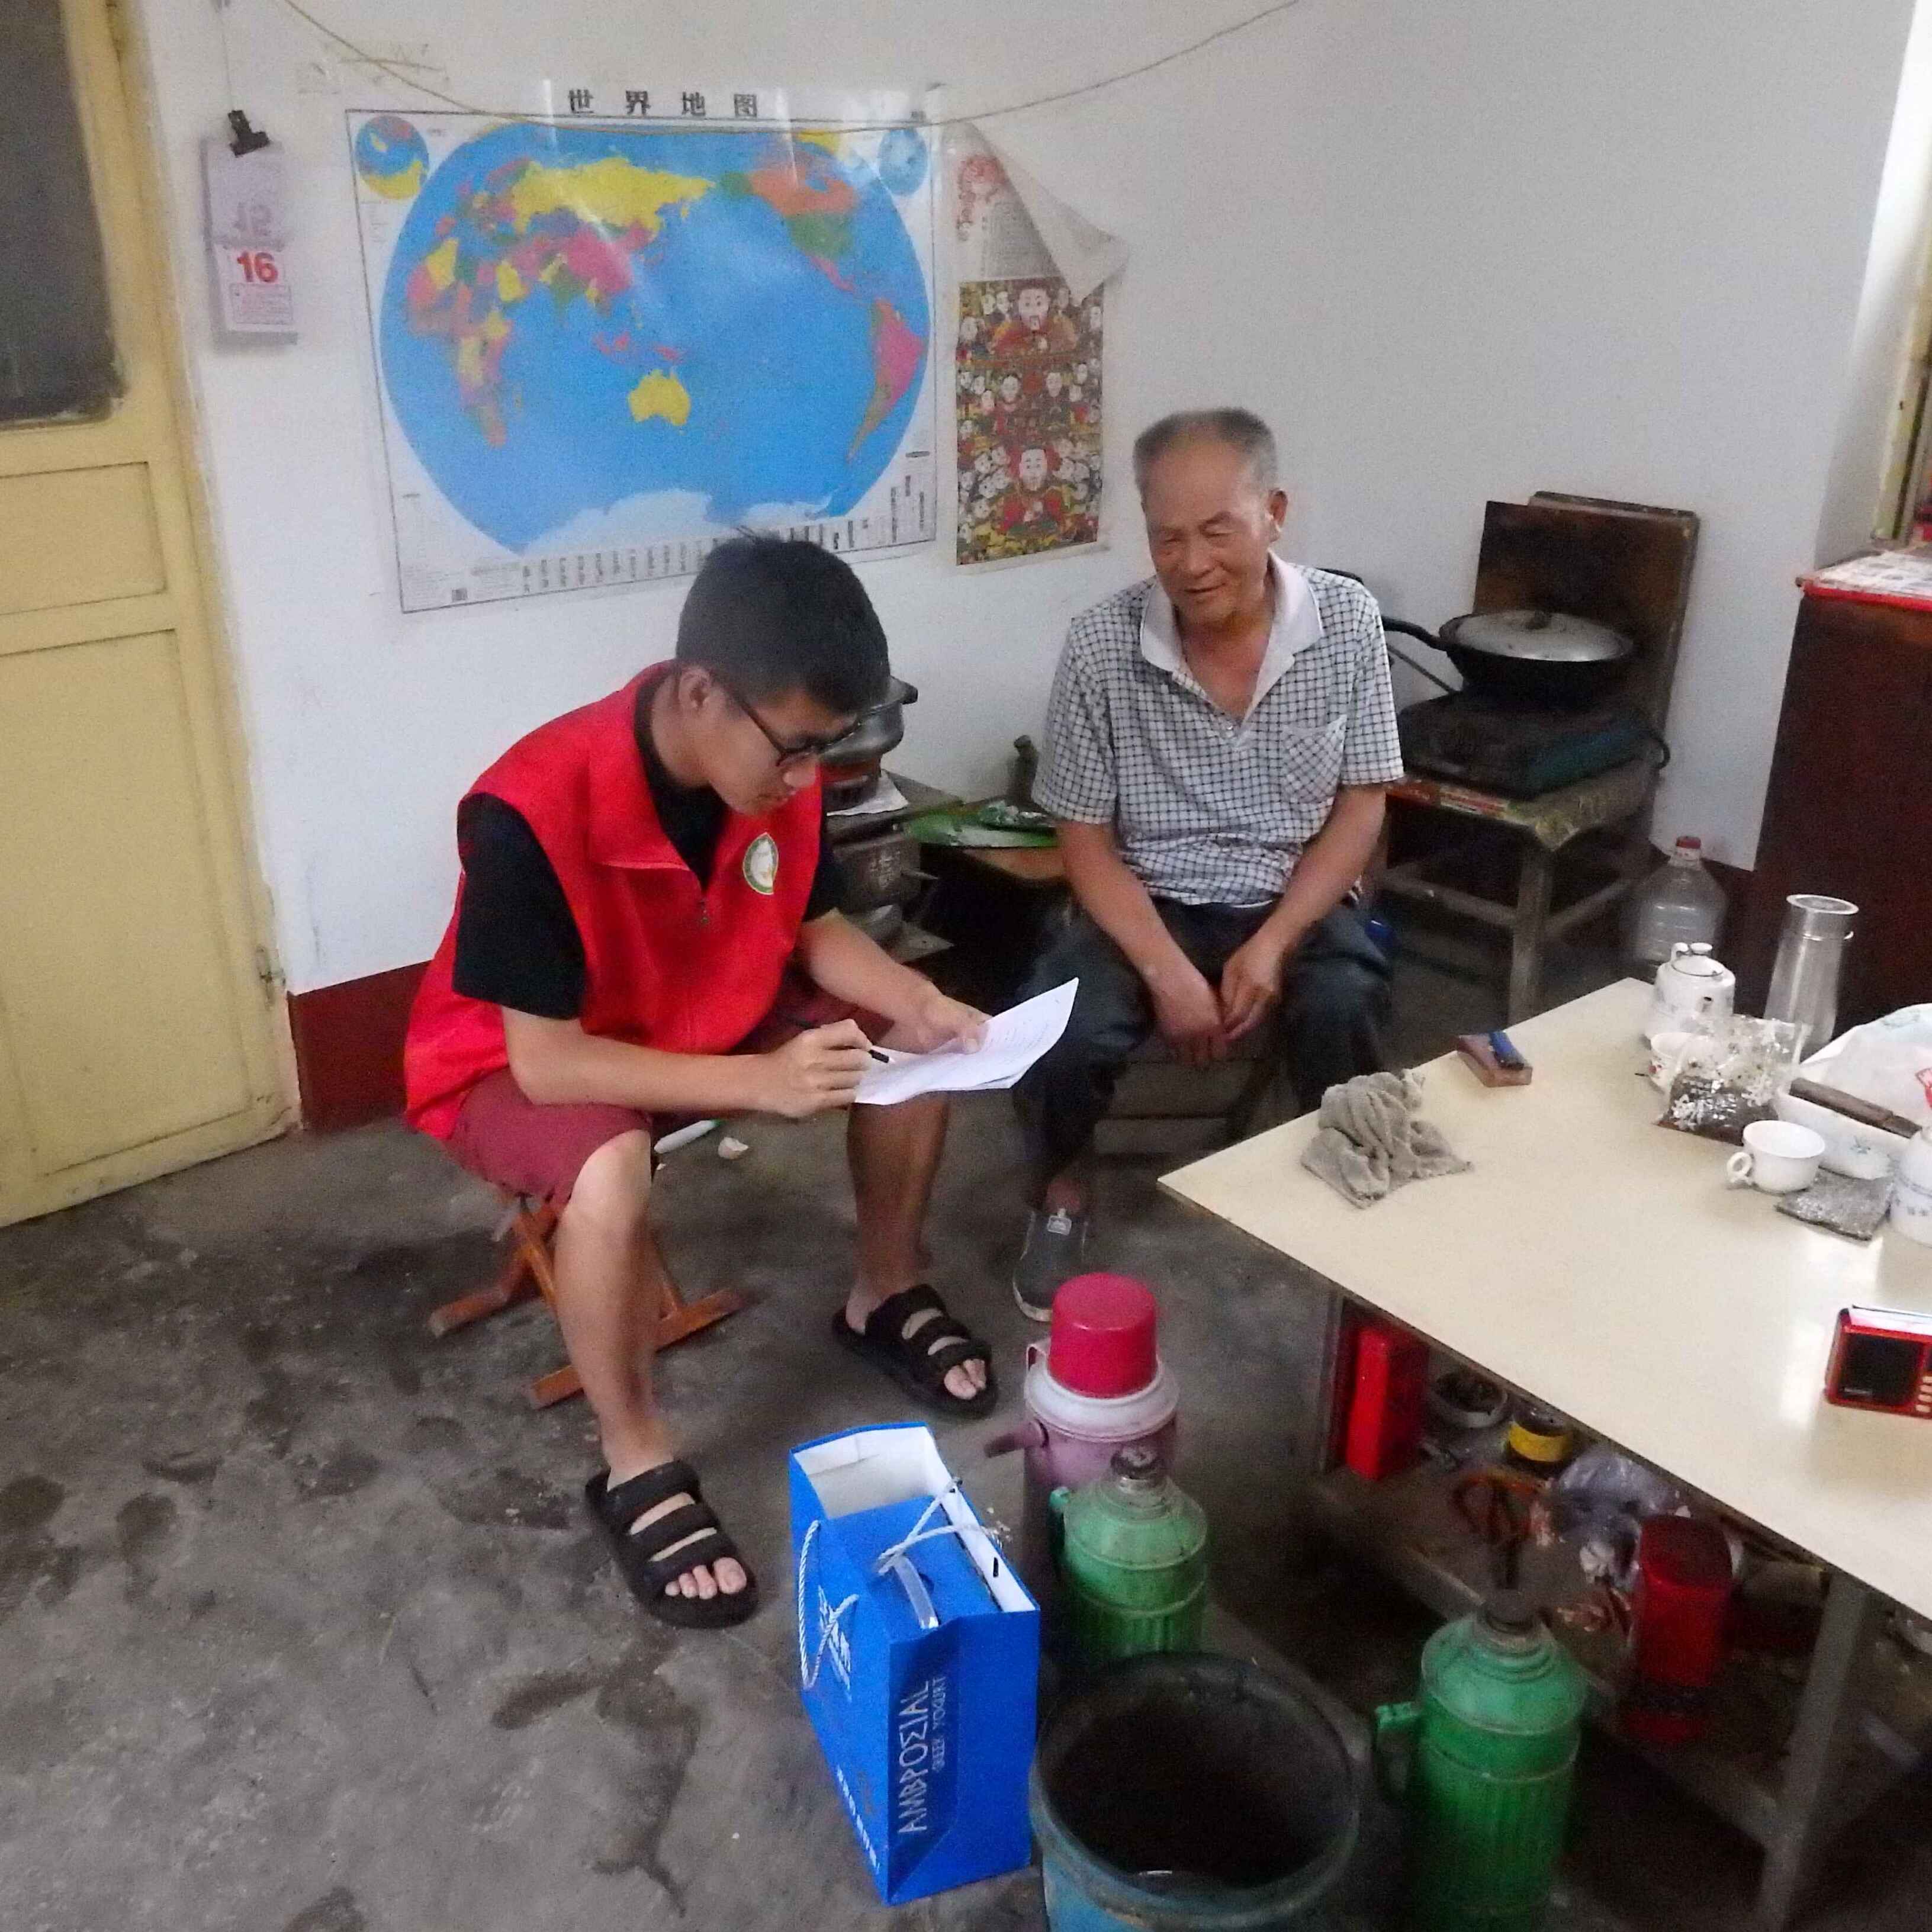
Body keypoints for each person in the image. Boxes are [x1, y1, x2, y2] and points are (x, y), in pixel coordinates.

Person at [404, 535, 995, 1629]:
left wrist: (918, 1003)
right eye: (798, 750)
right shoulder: (530, 806)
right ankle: (635, 1458)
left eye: (827, 751)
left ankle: (885, 1291)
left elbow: (814, 926)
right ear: (699, 693)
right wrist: (759, 1082)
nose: (808, 781)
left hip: (706, 999)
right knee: (610, 1166)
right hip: (517, 1058)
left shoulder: (772, 768)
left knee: (918, 1051)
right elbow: (548, 1062)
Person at [1010, 409, 1403, 1318]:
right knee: (1059, 1033)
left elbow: (1362, 805)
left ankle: (1350, 1180)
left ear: (1274, 514)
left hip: (1292, 893)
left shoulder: (1346, 622)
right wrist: (1164, 971)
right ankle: (1061, 1190)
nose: (1191, 564)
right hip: (1147, 897)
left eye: (1218, 531)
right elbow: (1083, 839)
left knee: (1346, 1003)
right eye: (1167, 537)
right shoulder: (1101, 644)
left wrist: (1274, 943)